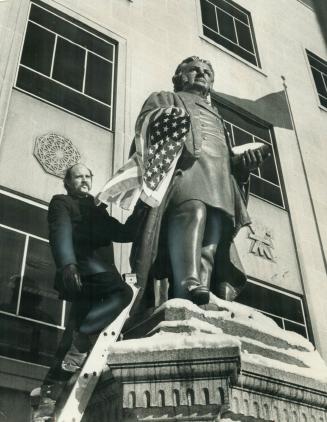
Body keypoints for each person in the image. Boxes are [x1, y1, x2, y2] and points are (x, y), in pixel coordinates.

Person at [126, 56, 265, 313]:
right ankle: (186, 282)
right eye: (194, 70)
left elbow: (228, 156)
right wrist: (167, 118)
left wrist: (243, 165)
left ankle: (202, 287)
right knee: (193, 211)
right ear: (179, 77)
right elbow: (145, 126)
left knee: (213, 231)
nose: (201, 74)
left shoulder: (218, 116)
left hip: (219, 179)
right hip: (186, 172)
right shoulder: (166, 96)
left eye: (207, 72)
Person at [31, 163, 145, 421]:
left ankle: (48, 398)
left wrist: (144, 208)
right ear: (68, 183)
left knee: (71, 336)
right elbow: (59, 231)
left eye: (87, 176)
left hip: (98, 277)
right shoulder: (62, 202)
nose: (83, 180)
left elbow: (124, 233)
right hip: (83, 270)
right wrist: (67, 264)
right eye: (77, 177)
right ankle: (83, 339)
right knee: (123, 293)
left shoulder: (97, 208)